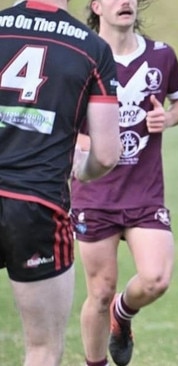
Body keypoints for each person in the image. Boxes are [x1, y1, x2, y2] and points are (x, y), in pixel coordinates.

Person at [70, 1, 178, 365]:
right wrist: (80, 144)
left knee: (156, 278)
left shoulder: (161, 55)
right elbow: (62, 113)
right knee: (100, 290)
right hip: (95, 193)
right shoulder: (81, 55)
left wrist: (167, 118)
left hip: (144, 192)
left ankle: (122, 314)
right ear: (96, 6)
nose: (125, 2)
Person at [0, 1, 122, 365]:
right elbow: (105, 154)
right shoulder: (91, 46)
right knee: (41, 348)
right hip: (36, 206)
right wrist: (81, 171)